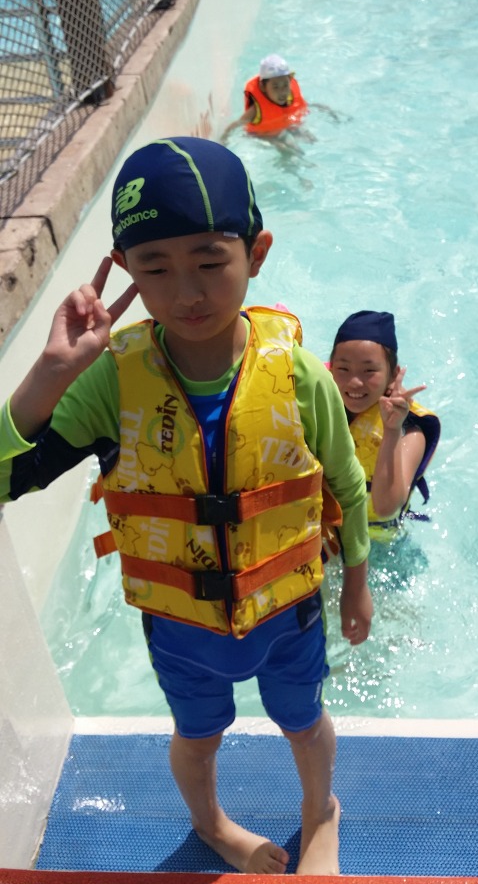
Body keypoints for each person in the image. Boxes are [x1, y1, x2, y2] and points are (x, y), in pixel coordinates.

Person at [0, 137, 373, 875]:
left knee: (305, 722)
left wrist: (355, 583)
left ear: (255, 253)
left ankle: (320, 811)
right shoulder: (110, 380)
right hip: (180, 624)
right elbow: (9, 479)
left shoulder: (299, 374)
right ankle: (212, 823)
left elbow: (348, 484)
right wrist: (49, 373)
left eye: (209, 261)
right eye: (155, 269)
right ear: (125, 270)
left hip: (288, 611)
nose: (186, 293)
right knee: (197, 736)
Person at [328, 311, 441, 545]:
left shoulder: (410, 432)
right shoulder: (320, 408)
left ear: (393, 375)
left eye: (369, 371)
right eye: (343, 369)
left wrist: (391, 430)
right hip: (327, 534)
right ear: (330, 369)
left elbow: (386, 509)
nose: (355, 382)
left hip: (380, 543)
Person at [221, 54, 342, 157]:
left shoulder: (290, 96)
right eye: (275, 87)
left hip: (286, 126)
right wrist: (223, 143)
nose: (282, 92)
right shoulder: (255, 111)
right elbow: (235, 126)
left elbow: (305, 106)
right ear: (263, 87)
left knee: (311, 139)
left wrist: (327, 110)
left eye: (285, 85)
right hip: (262, 135)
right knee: (284, 148)